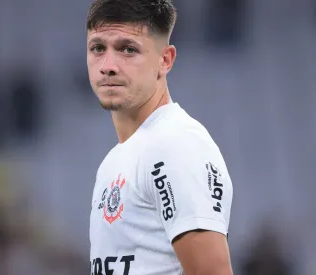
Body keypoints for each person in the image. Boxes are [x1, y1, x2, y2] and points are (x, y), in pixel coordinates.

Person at [86, 1, 234, 274]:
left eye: (128, 49)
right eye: (98, 48)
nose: (108, 66)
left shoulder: (176, 145)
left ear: (164, 60)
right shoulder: (115, 160)